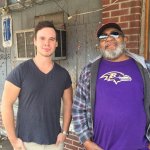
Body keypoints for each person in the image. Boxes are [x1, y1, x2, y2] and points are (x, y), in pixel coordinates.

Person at [72, 22, 150, 150]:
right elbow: (78, 109)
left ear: (125, 39)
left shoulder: (145, 68)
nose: (109, 38)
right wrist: (87, 142)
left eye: (115, 33)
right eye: (103, 37)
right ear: (99, 45)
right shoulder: (89, 71)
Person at [1, 21, 73, 150]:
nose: (47, 43)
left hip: (55, 142)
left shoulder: (63, 75)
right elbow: (6, 104)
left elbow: (68, 103)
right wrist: (13, 140)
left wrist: (65, 132)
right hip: (26, 143)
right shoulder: (21, 71)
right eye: (42, 38)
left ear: (56, 43)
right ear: (34, 41)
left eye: (51, 39)